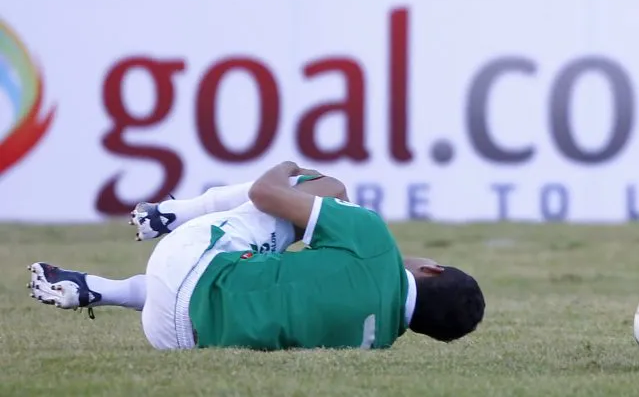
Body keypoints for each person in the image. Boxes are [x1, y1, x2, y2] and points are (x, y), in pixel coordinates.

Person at [28, 163, 485, 350]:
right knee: (249, 292)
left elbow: (265, 194)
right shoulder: (377, 341)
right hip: (178, 339)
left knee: (325, 193)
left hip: (184, 262)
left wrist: (288, 167)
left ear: (431, 269)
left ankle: (168, 215)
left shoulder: (376, 242)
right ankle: (100, 289)